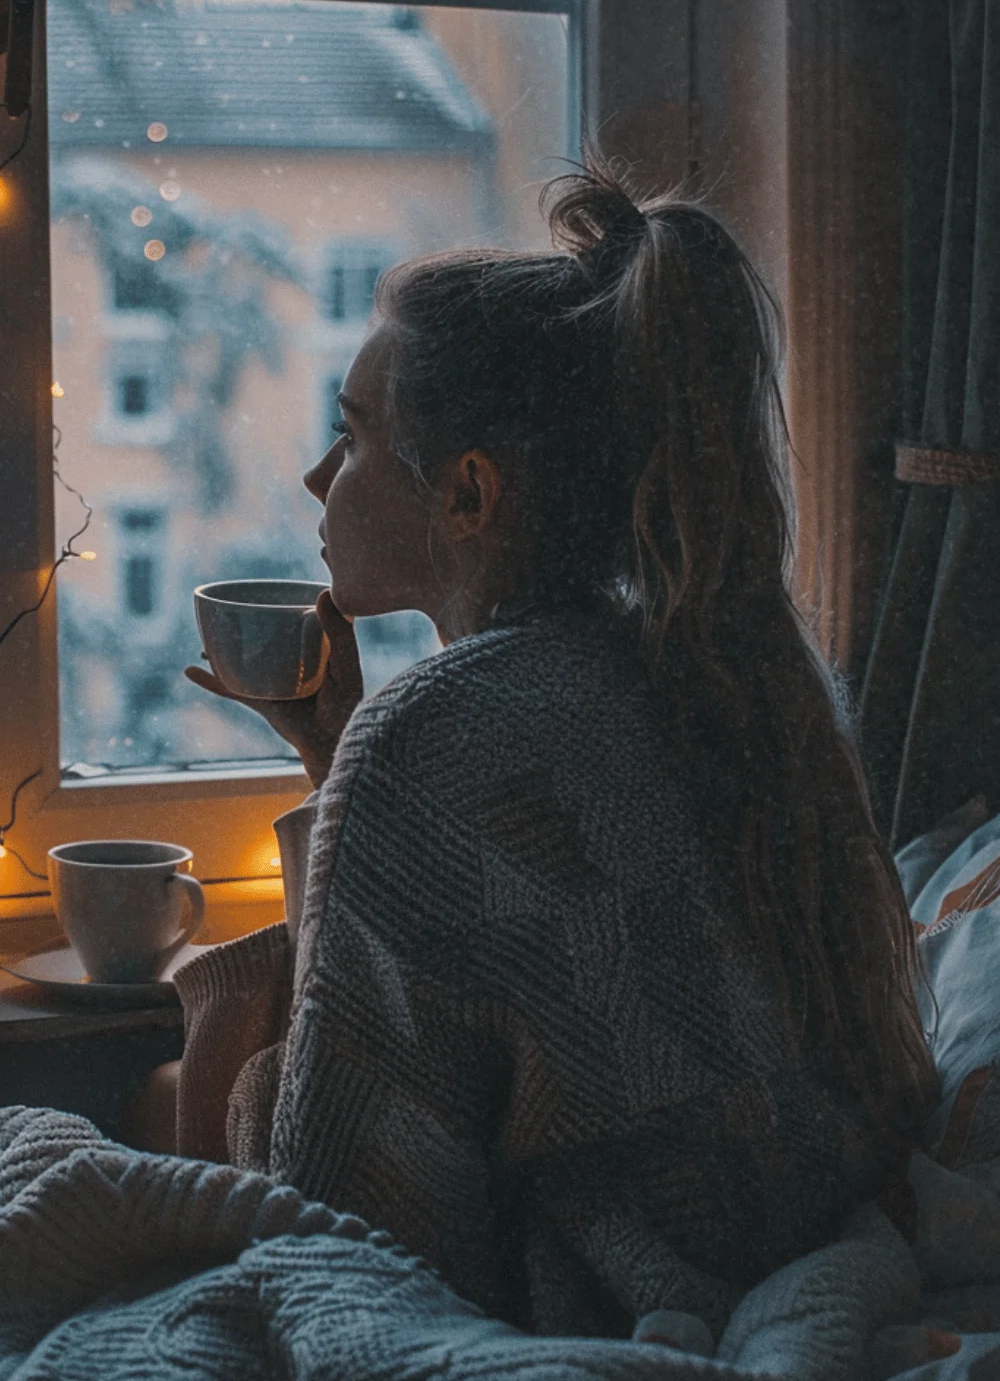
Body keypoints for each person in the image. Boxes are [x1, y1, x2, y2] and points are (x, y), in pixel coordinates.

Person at [142, 155, 940, 1343]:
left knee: (154, 1104)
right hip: (773, 1223)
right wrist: (336, 767)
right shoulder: (718, 676)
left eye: (350, 435)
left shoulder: (439, 735)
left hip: (584, 1294)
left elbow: (350, 1209)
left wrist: (363, 767)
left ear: (469, 493)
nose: (317, 478)